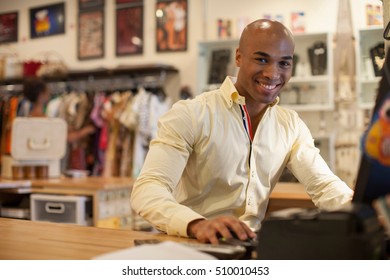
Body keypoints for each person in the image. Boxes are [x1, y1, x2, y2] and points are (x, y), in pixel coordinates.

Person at [130, 19, 353, 244]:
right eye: (262, 59)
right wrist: (197, 224)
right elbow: (148, 189)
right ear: (238, 57)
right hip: (191, 245)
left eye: (284, 63)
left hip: (248, 249)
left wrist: (367, 211)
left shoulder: (291, 125)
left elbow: (324, 186)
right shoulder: (190, 114)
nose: (272, 73)